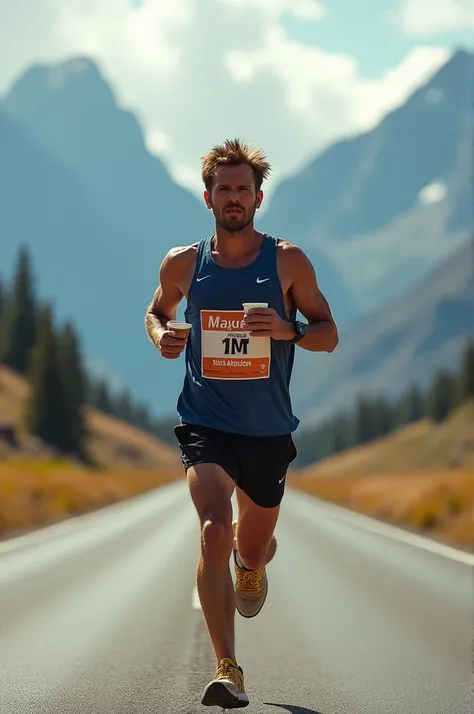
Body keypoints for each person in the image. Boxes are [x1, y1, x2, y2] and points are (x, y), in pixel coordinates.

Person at [144, 138, 338, 708]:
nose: (234, 197)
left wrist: (290, 330)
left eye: (243, 189)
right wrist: (162, 335)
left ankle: (250, 565)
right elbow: (157, 310)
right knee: (212, 527)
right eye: (224, 189)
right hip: (204, 421)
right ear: (208, 198)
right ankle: (228, 668)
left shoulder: (288, 261)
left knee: (251, 549)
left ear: (258, 197)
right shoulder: (183, 263)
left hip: (268, 430)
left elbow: (328, 331)